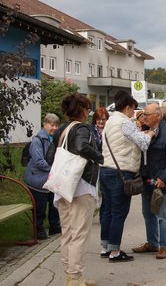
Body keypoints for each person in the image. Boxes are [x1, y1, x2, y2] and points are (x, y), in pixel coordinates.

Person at [51, 93, 104, 286]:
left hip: (62, 186)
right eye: (88, 109)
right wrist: (98, 157)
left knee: (67, 233)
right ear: (82, 110)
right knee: (79, 234)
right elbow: (82, 146)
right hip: (81, 186)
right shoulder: (83, 127)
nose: (89, 113)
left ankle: (70, 275)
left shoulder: (61, 129)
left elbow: (51, 156)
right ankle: (75, 277)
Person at [99, 90, 154, 263]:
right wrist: (151, 133)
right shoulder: (125, 122)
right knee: (119, 213)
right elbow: (143, 143)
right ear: (128, 107)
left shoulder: (109, 122)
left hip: (106, 169)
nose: (134, 113)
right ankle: (115, 252)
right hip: (121, 172)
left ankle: (105, 246)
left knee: (107, 210)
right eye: (133, 109)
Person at [131, 103, 166, 259]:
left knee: (161, 215)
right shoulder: (146, 131)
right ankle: (152, 243)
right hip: (146, 180)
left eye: (147, 114)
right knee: (148, 213)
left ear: (158, 116)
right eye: (144, 114)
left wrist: (163, 178)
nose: (144, 116)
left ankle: (164, 246)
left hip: (160, 182)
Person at [23, 113, 61, 240]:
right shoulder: (37, 140)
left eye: (56, 125)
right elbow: (39, 161)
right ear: (45, 124)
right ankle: (38, 230)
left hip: (50, 178)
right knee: (40, 208)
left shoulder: (55, 139)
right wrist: (53, 170)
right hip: (37, 179)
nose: (54, 128)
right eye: (52, 125)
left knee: (54, 205)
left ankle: (54, 227)